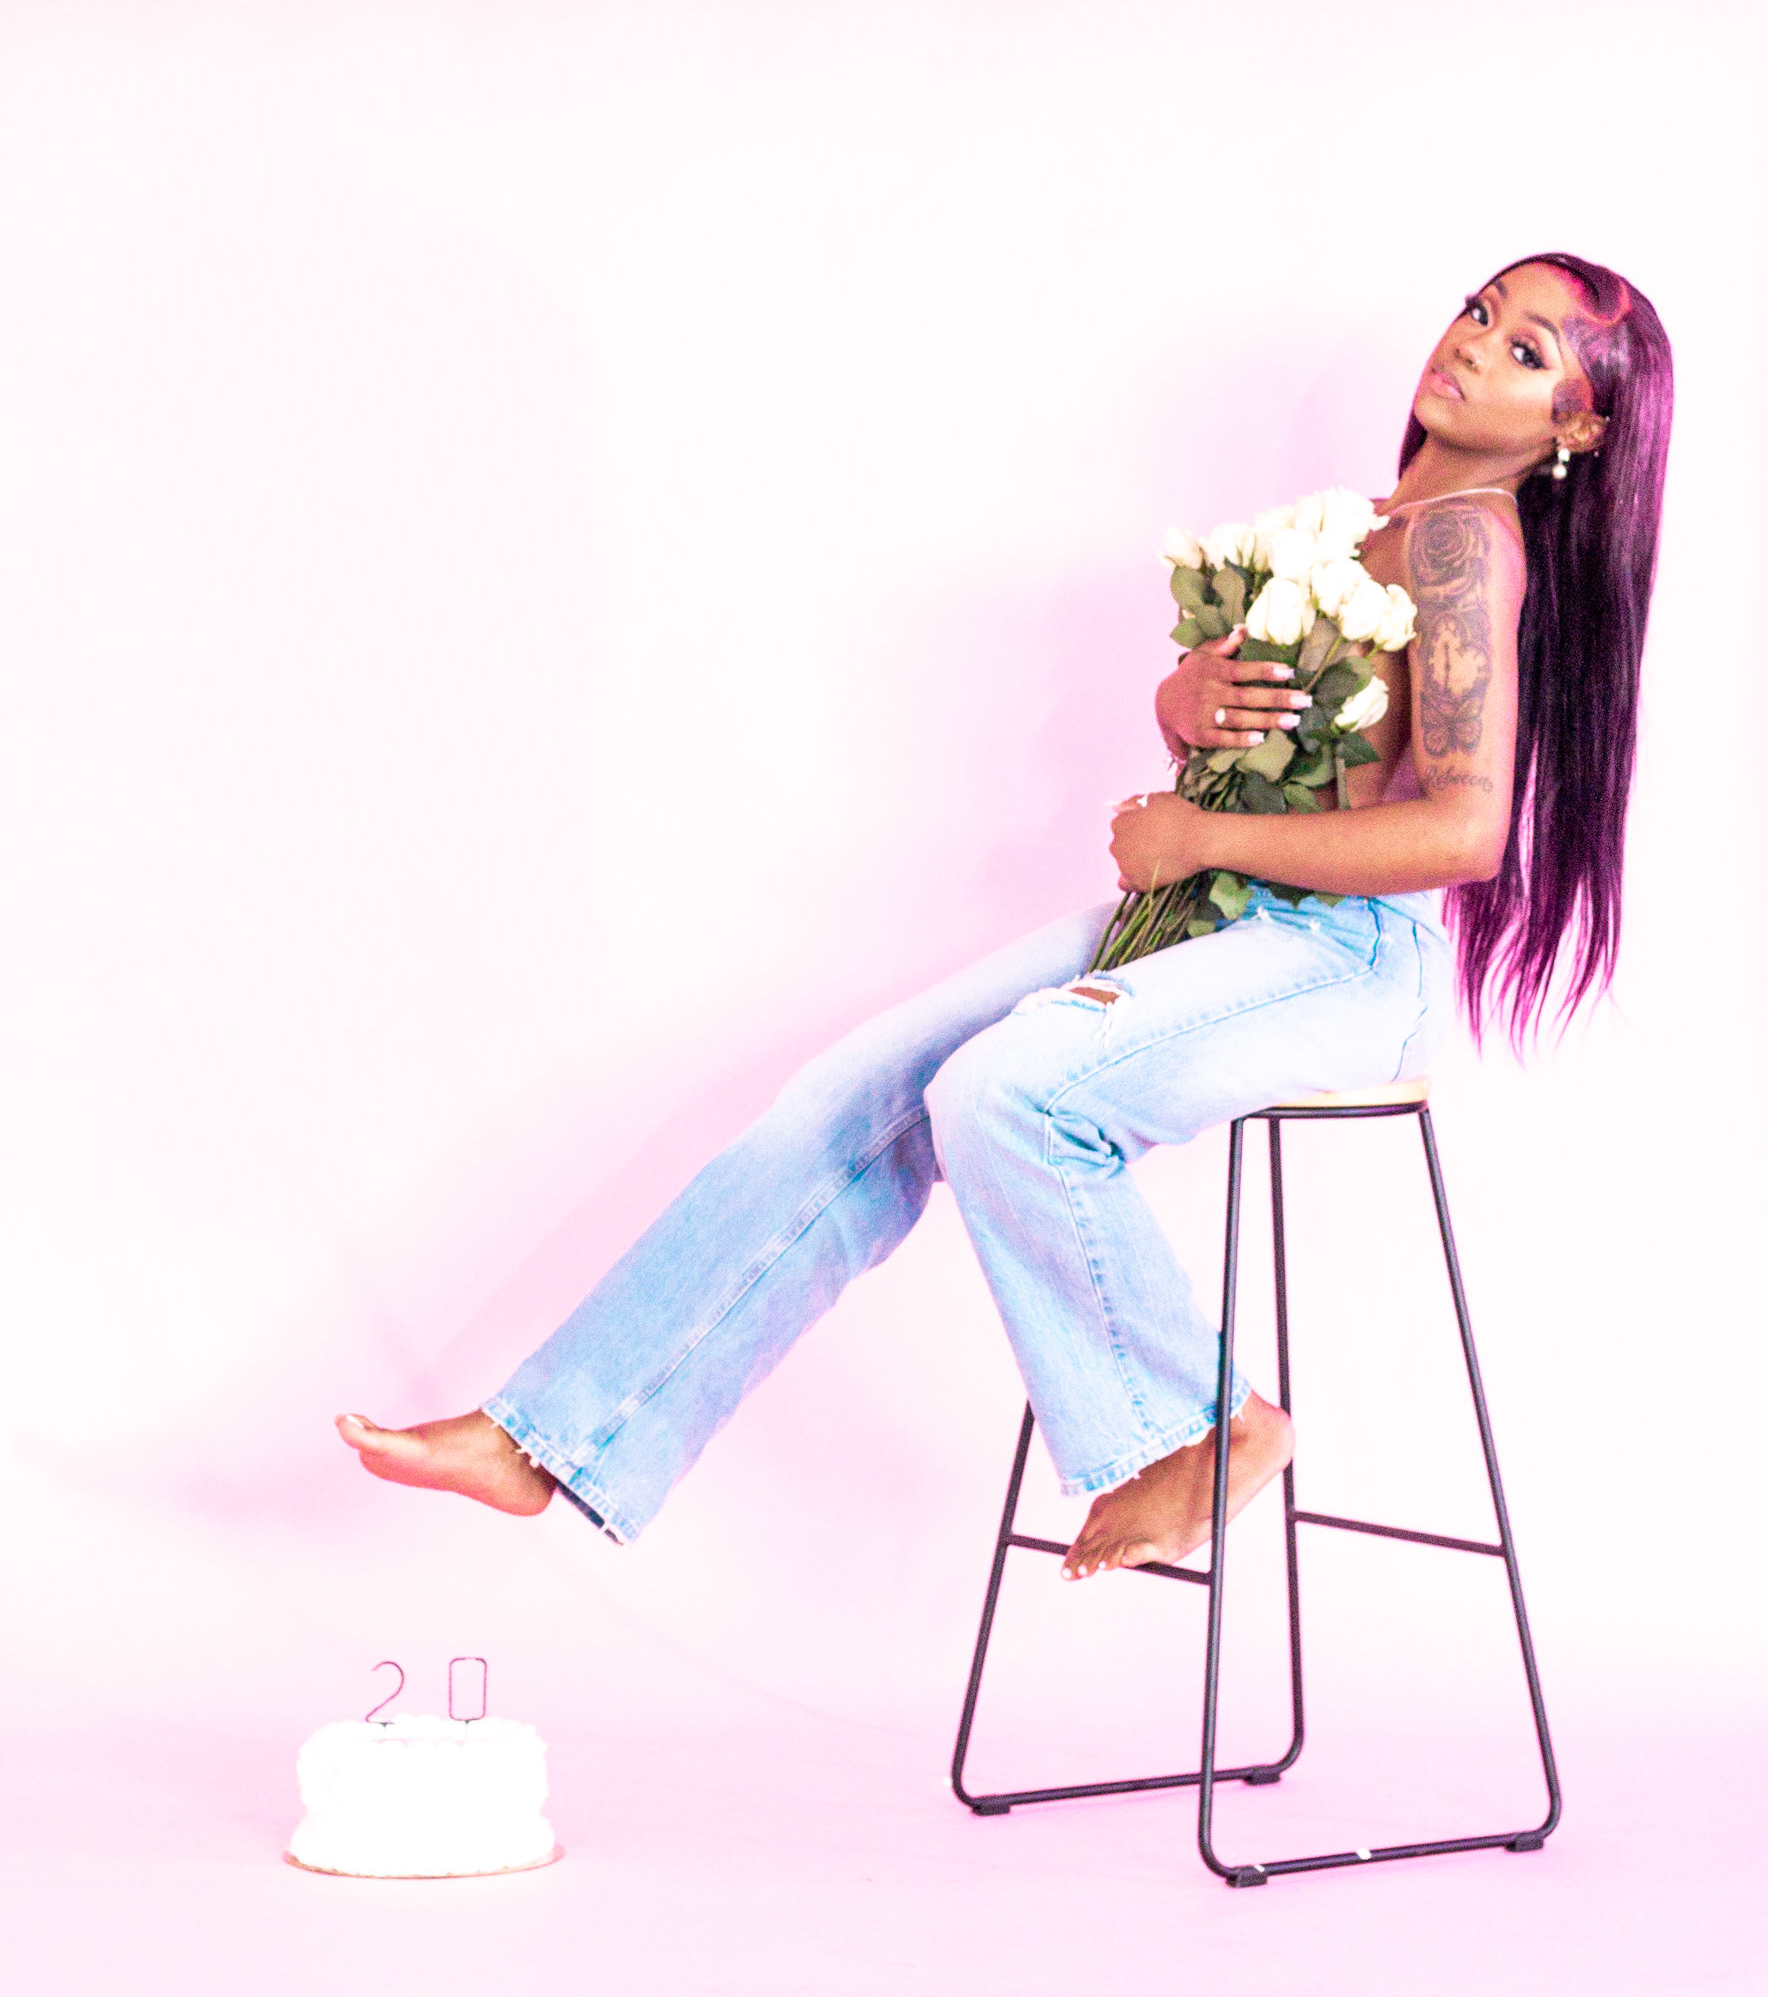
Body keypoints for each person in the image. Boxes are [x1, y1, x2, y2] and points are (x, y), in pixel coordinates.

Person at [338, 253, 1672, 1582]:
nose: (1473, 341)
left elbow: (1464, 833)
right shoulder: (1360, 527)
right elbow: (1284, 737)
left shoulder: (1460, 545)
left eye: (1528, 350)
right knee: (852, 1095)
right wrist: (1186, 704)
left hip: (1342, 955)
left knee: (1005, 1092)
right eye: (1480, 310)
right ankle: (559, 1435)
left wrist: (1201, 834)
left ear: (1579, 425)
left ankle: (1204, 1428)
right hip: (1211, 919)